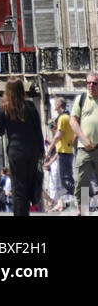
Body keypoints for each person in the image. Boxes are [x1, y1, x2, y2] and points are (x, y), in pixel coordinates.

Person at [0, 78, 43, 218]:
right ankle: (26, 212)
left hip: (15, 151)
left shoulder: (3, 108)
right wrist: (42, 150)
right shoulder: (30, 106)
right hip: (32, 150)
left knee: (18, 185)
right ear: (22, 90)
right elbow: (37, 129)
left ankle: (20, 214)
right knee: (29, 182)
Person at [70, 72, 98, 215]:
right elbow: (73, 121)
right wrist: (84, 139)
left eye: (94, 83)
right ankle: (84, 211)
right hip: (84, 149)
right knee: (82, 183)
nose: (91, 85)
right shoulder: (81, 99)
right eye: (88, 83)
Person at [45, 97, 75, 199]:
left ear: (58, 105)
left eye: (55, 104)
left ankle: (85, 197)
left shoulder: (62, 118)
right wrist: (54, 127)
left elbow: (58, 136)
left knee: (66, 181)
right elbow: (61, 133)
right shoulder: (68, 117)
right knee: (64, 181)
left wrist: (49, 150)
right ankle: (63, 203)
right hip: (67, 151)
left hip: (63, 152)